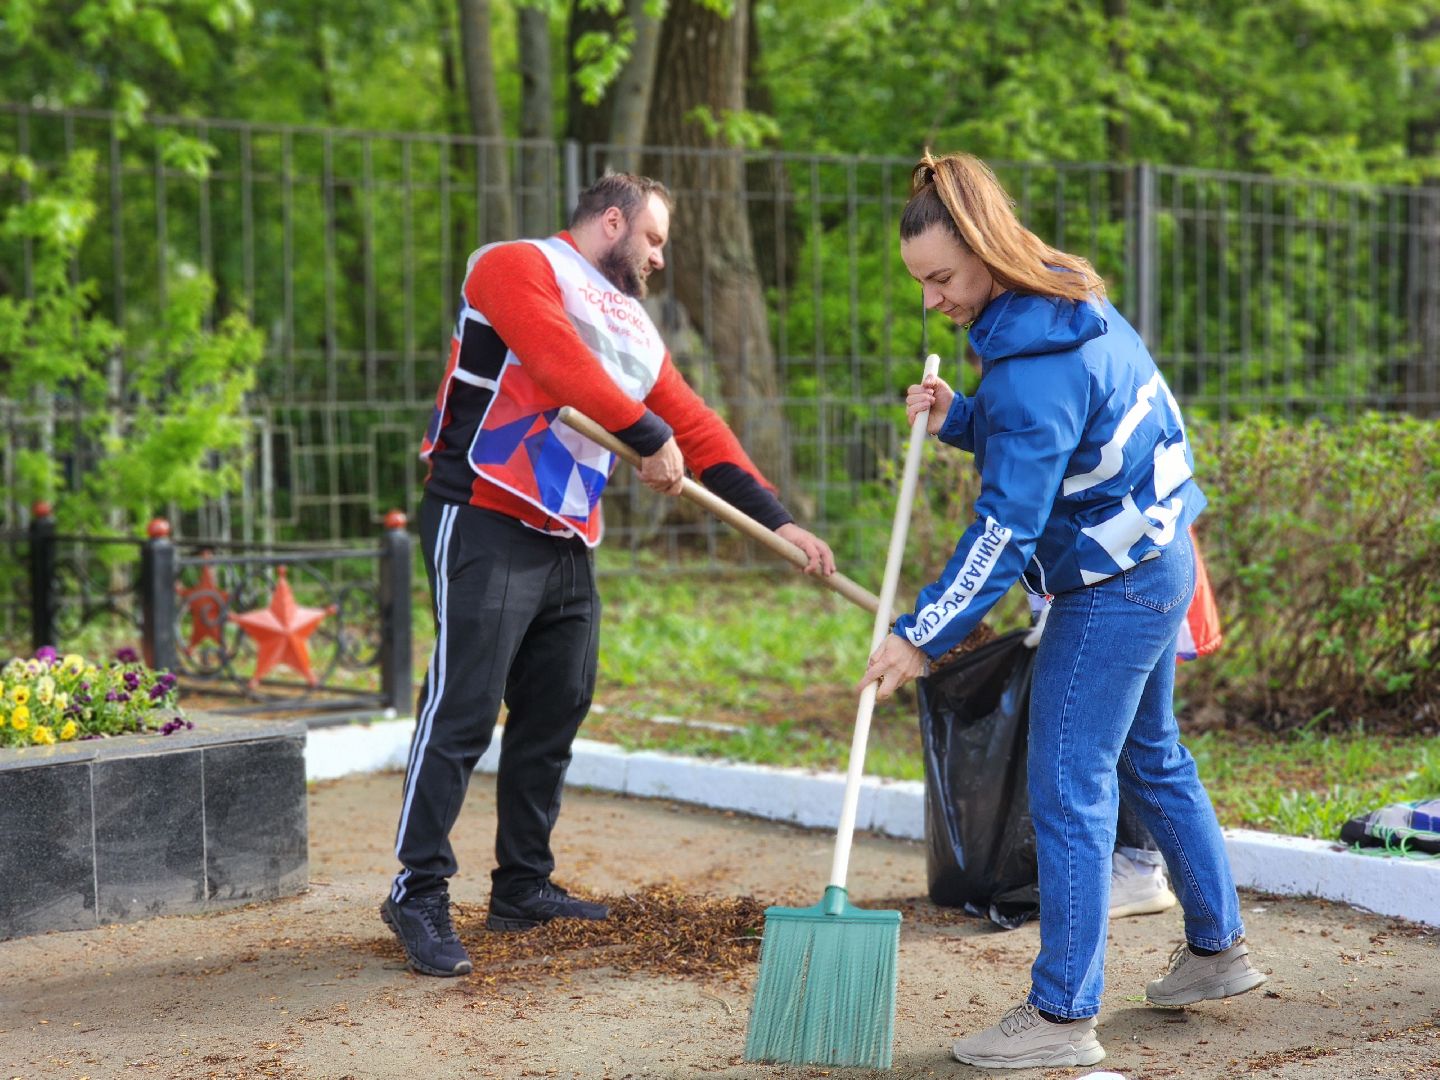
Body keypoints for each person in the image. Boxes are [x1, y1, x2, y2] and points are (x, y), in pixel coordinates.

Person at [858, 152, 1264, 1070]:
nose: (932, 300)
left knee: (1068, 786)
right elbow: (1064, 432)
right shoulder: (1064, 303)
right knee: (1150, 756)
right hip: (1159, 556)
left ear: (987, 253)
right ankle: (1218, 950)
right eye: (922, 282)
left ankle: (1060, 1017)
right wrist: (965, 416)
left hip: (1110, 587)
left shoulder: (1029, 365)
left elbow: (1007, 528)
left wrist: (923, 633)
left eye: (941, 278)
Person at [384, 173, 836, 978]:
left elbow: (695, 425)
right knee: (463, 707)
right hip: (484, 512)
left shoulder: (632, 327)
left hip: (567, 537)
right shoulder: (516, 264)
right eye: (655, 240)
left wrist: (779, 520)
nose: (660, 259)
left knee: (556, 706)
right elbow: (556, 363)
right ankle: (417, 890)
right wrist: (644, 430)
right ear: (613, 220)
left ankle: (523, 887)